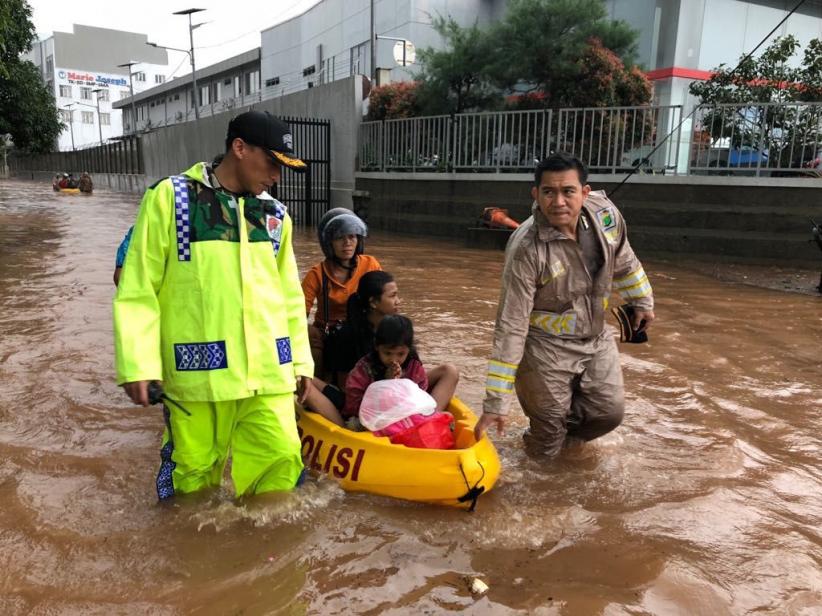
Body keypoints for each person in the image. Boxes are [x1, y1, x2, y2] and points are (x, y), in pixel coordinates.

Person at [113, 110, 315, 500]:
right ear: (239, 148)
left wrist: (301, 362)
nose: (277, 176)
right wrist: (138, 364)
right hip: (197, 375)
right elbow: (138, 288)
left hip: (268, 373)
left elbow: (289, 296)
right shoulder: (171, 199)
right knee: (192, 478)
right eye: (272, 163)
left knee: (282, 464)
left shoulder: (275, 216)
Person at [475, 152, 656, 457]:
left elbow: (624, 259)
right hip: (544, 348)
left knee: (608, 414)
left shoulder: (605, 215)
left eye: (568, 191)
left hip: (595, 337)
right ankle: (541, 470)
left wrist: (642, 300)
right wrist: (496, 404)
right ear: (536, 194)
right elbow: (510, 326)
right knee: (547, 435)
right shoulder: (526, 249)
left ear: (585, 192)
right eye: (549, 192)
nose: (558, 201)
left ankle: (565, 446)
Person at [301, 209, 381, 375]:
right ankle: (318, 385)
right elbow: (297, 313)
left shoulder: (370, 264)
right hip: (327, 335)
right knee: (313, 345)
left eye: (352, 237)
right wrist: (307, 329)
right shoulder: (316, 274)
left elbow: (384, 300)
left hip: (360, 330)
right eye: (339, 238)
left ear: (358, 240)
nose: (347, 243)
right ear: (328, 242)